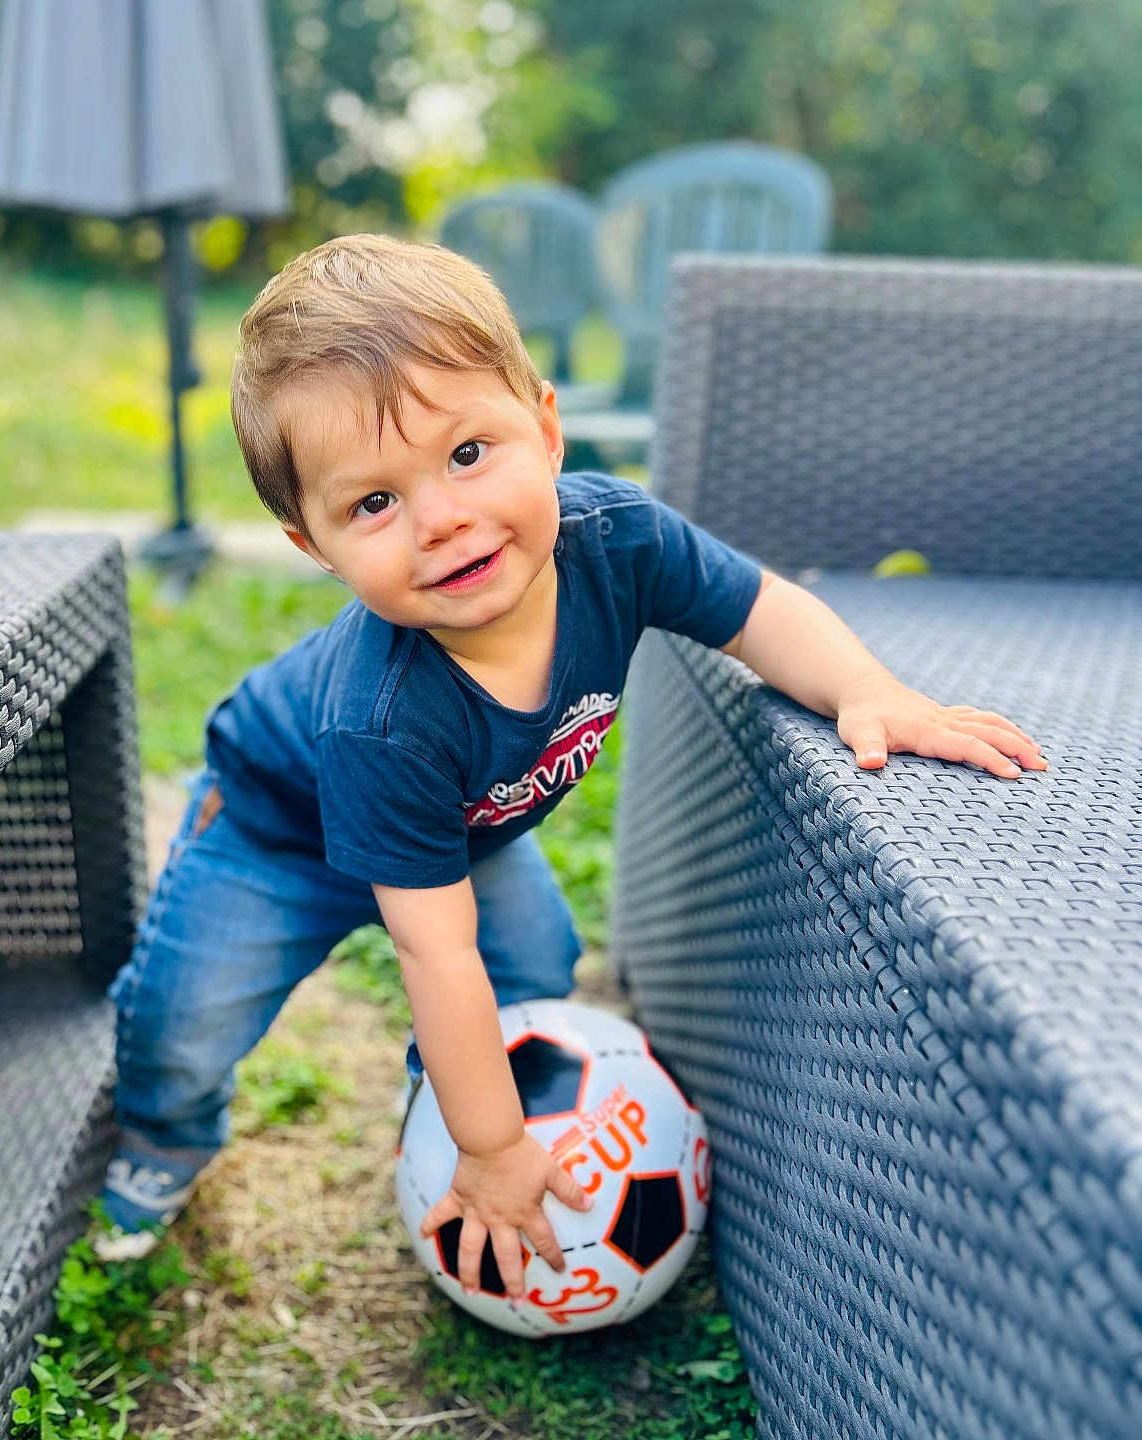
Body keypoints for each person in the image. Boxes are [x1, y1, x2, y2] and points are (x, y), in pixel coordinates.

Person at [95, 233, 1046, 1283]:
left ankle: (439, 1114)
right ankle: (162, 1137)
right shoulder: (385, 715)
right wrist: (499, 1149)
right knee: (190, 1017)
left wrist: (867, 690)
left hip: (466, 821)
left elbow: (759, 610)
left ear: (546, 431)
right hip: (276, 832)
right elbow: (432, 956)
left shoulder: (620, 541)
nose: (442, 520)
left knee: (534, 964)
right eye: (373, 502)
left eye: (467, 454)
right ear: (314, 547)